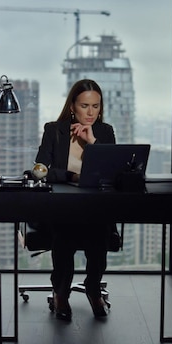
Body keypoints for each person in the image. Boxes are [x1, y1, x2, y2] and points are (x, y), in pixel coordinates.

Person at [34, 79, 116, 321]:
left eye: (96, 106)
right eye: (84, 106)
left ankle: (93, 288)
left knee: (98, 237)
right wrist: (72, 176)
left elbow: (111, 170)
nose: (91, 113)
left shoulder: (104, 132)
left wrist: (92, 143)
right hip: (62, 205)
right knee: (64, 236)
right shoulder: (54, 130)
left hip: (94, 206)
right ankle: (61, 293)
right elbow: (39, 169)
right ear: (72, 106)